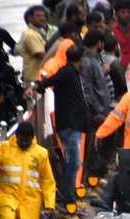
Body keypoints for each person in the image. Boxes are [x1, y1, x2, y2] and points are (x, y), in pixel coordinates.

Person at [31, 44, 90, 205]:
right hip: (69, 126)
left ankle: (69, 193)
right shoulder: (67, 73)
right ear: (78, 60)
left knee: (73, 161)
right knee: (73, 162)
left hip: (73, 125)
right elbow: (50, 81)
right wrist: (37, 86)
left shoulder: (72, 73)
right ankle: (68, 195)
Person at [80, 30, 111, 124]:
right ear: (99, 43)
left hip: (101, 111)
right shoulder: (87, 61)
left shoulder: (95, 59)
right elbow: (86, 88)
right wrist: (96, 112)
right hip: (96, 114)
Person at [17, 5, 49, 84]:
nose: (42, 18)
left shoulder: (37, 33)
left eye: (44, 16)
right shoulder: (31, 35)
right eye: (38, 16)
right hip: (34, 79)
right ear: (30, 18)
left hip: (37, 77)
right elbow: (41, 55)